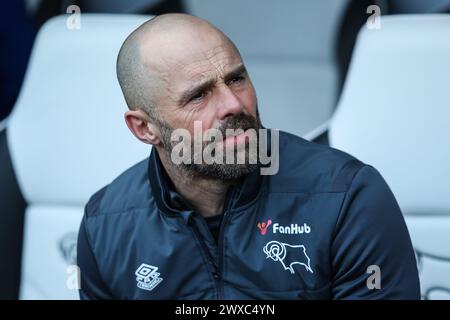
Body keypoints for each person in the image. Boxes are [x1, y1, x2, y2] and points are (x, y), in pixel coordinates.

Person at [77, 13, 420, 299]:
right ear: (144, 128)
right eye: (198, 96)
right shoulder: (105, 225)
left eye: (237, 78)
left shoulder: (347, 197)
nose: (233, 104)